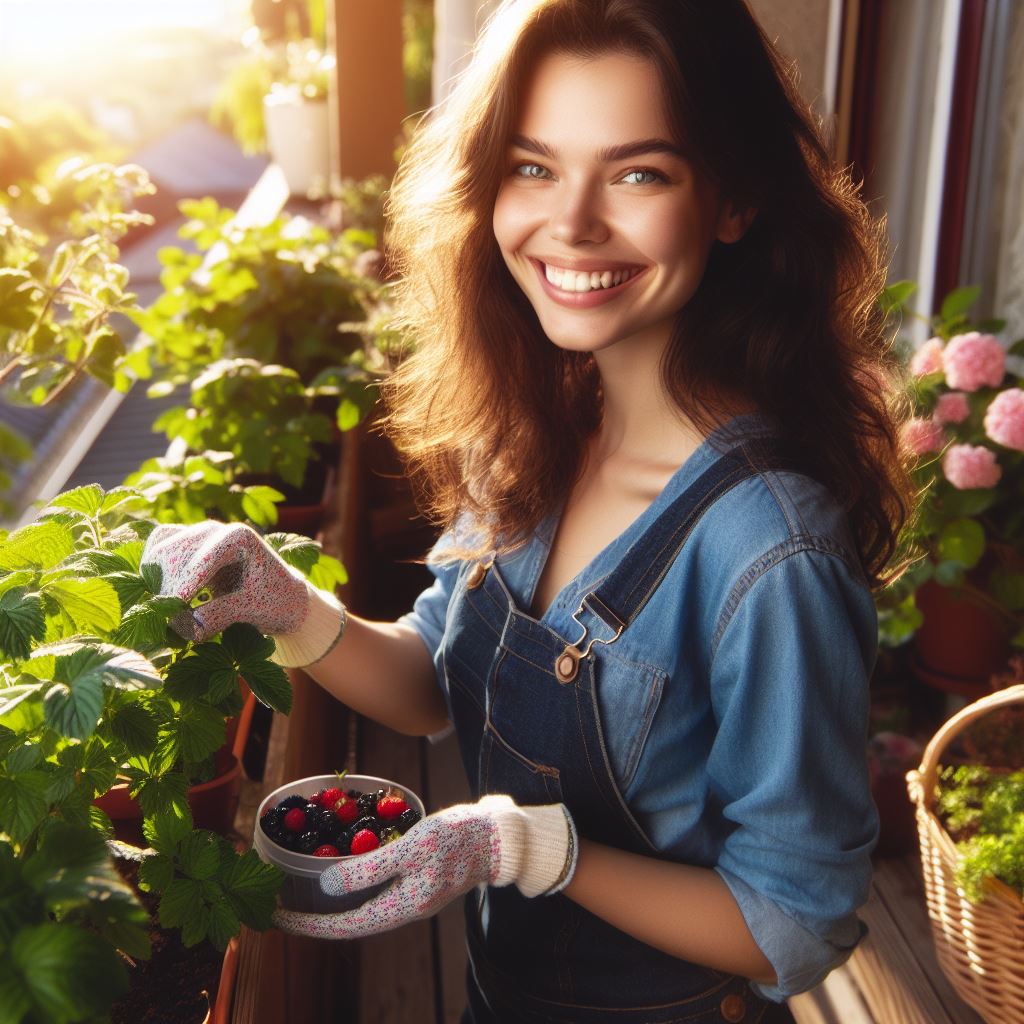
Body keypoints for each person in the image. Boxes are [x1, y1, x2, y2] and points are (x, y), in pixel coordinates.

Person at [142, 1, 914, 1020]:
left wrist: (535, 849)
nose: (572, 222)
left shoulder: (772, 552)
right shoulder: (542, 425)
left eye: (638, 171)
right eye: (533, 165)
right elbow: (436, 680)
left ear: (733, 198)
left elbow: (791, 922)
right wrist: (286, 606)